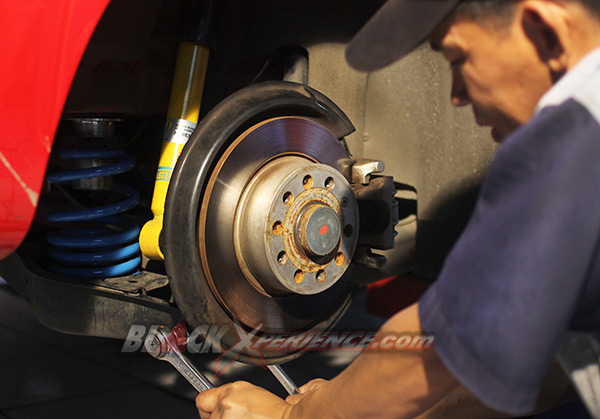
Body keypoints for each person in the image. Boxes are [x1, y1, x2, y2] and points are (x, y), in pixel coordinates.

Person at [196, 0, 600, 417]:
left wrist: (293, 416)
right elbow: (560, 364)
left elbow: (444, 342)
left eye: (459, 59)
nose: (457, 96)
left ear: (542, 29)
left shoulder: (572, 143)